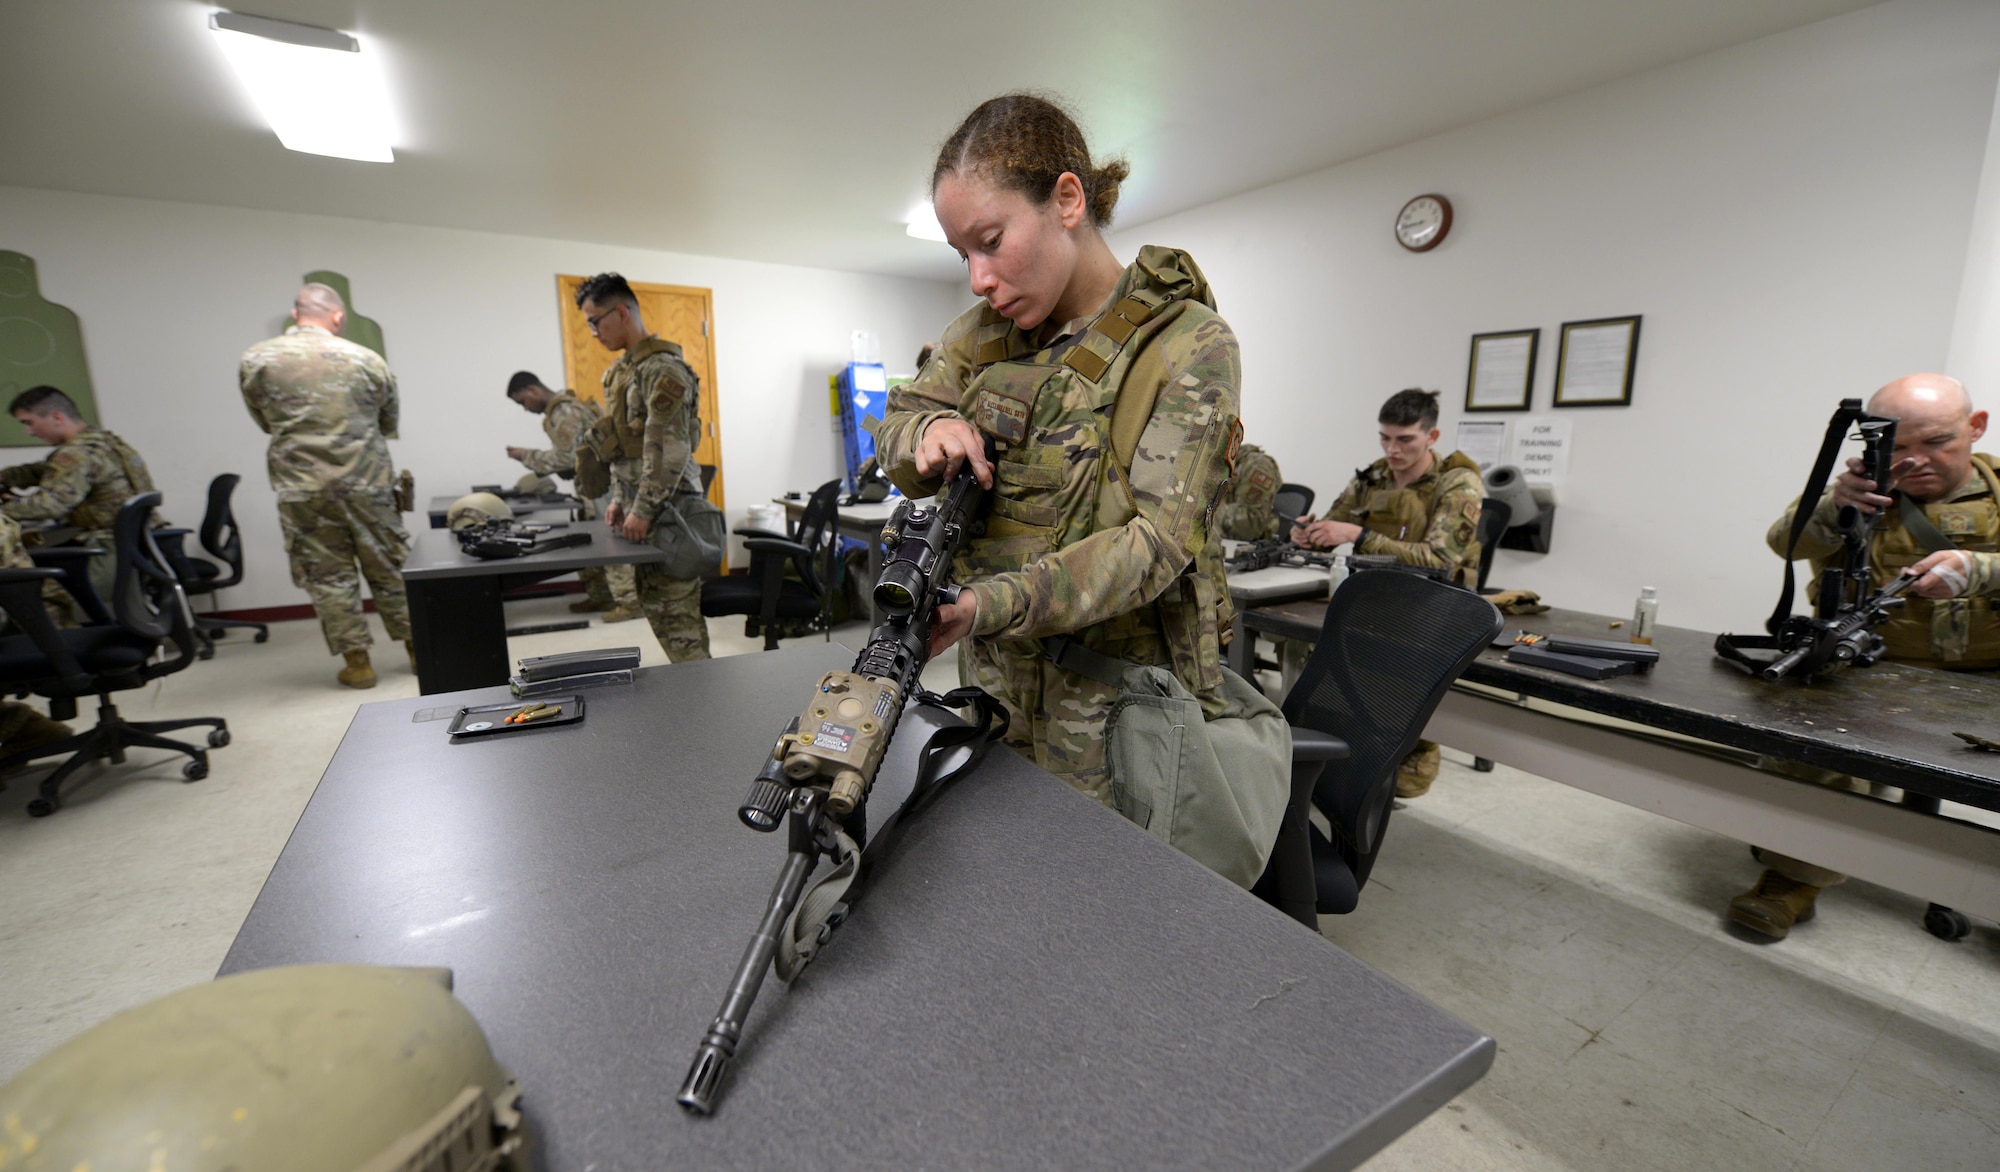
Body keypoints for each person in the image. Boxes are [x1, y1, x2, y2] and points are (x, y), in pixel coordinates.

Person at [872, 93, 1288, 877]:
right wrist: (926, 434)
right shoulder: (981, 339)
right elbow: (897, 426)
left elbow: (1155, 545)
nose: (979, 278)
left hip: (1121, 717)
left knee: (1117, 923)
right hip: (997, 695)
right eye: (963, 255)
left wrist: (984, 606)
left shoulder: (1187, 345)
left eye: (991, 242)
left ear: (1068, 200)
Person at [1733, 372, 1999, 938]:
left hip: (1987, 676)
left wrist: (1981, 570)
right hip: (1868, 670)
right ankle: (1794, 876)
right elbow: (1784, 542)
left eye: (1936, 442)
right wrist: (1835, 506)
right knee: (1809, 736)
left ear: (1975, 427)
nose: (1915, 460)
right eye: (1896, 446)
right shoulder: (1856, 492)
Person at [1292, 387, 1484, 797]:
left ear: (1432, 437)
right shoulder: (1375, 476)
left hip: (1436, 606)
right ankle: (1338, 747)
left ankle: (1412, 748)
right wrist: (1310, 533)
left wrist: (1359, 535)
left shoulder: (1458, 483)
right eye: (1385, 437)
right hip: (1378, 600)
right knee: (1318, 650)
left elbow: (1439, 559)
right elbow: (1334, 524)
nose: (1392, 449)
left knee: (1381, 681)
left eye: (1405, 440)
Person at [238, 283, 412, 689]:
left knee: (329, 577)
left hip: (303, 488)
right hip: (367, 482)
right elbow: (388, 422)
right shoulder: (368, 359)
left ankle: (359, 664)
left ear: (296, 314)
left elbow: (264, 420)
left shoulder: (257, 358)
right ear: (336, 317)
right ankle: (419, 651)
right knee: (390, 569)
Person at [573, 273, 711, 662]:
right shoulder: (623, 372)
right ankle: (695, 699)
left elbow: (669, 449)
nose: (593, 332)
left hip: (670, 511)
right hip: (647, 509)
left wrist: (644, 507)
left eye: (595, 321)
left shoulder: (662, 370)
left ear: (621, 312)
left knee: (678, 624)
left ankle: (706, 706)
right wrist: (621, 499)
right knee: (659, 610)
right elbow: (625, 445)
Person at [503, 371, 641, 623]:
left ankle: (630, 601)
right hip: (595, 484)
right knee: (592, 539)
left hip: (603, 484)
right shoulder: (565, 408)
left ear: (533, 389)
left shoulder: (564, 412)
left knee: (610, 541)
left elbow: (567, 457)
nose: (525, 408)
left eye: (522, 401)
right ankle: (602, 595)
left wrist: (526, 455)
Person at [1, 386, 162, 601]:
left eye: (28, 423)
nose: (29, 432)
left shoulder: (76, 454)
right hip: (139, 542)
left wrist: (8, 507)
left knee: (25, 582)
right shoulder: (103, 441)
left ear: (56, 417)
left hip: (108, 550)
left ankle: (60, 633)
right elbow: (47, 470)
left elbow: (51, 505)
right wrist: (6, 477)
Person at [0, 511, 74, 762]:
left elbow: (51, 503)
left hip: (19, 618)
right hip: (35, 614)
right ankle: (28, 730)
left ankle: (23, 731)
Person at [1214, 442, 1285, 541]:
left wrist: (1204, 516)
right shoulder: (1212, 463)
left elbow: (1249, 523)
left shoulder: (1257, 465)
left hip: (1247, 546)